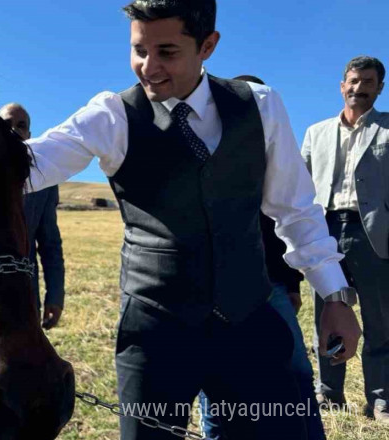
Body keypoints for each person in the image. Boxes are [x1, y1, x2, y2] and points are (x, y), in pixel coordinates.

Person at [25, 1, 362, 438]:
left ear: (208, 45)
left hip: (250, 320)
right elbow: (24, 166)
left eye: (166, 52)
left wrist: (335, 297)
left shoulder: (259, 106)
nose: (147, 67)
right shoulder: (112, 116)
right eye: (138, 50)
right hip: (156, 332)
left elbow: (295, 210)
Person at [195, 74, 325, 440]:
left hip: (271, 286)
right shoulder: (199, 155)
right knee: (215, 383)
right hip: (211, 290)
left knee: (296, 374)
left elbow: (286, 226)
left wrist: (292, 284)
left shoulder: (272, 163)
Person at [301, 55, 389, 423]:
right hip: (325, 233)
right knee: (328, 314)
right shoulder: (315, 132)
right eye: (353, 80)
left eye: (368, 82)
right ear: (342, 85)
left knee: (380, 319)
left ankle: (381, 398)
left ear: (380, 88)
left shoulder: (387, 128)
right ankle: (330, 393)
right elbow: (300, 185)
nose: (359, 87)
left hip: (374, 235)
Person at [0, 102, 66, 330]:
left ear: (29, 134)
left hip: (25, 292)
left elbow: (50, 244)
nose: (13, 130)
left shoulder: (45, 182)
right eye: (5, 124)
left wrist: (55, 296)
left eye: (21, 125)